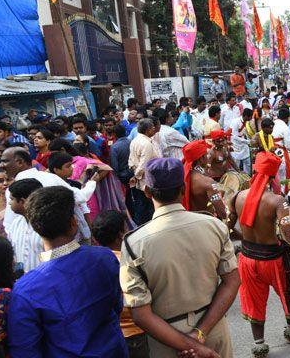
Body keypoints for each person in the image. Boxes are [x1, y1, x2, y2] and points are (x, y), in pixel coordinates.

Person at [120, 158, 240, 357]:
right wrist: (200, 336)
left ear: (147, 191)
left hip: (167, 340)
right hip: (213, 328)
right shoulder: (213, 226)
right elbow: (232, 281)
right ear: (183, 189)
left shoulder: (133, 243)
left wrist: (188, 343)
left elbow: (141, 315)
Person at [8, 186, 127, 356]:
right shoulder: (105, 258)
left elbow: (26, 350)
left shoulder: (25, 290)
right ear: (73, 223)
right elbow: (116, 306)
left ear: (36, 227)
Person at [229, 152, 290, 357]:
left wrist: (245, 237)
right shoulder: (278, 201)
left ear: (254, 171)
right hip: (273, 261)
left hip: (247, 259)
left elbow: (229, 230)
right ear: (273, 176)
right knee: (288, 293)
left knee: (254, 301)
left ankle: (259, 345)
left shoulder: (237, 197)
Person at [92, 210, 149, 357]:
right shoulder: (129, 262)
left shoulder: (91, 263)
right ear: (120, 235)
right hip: (136, 333)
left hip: (106, 335)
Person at [4, 179, 43, 274]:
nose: (9, 203)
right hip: (23, 282)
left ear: (22, 201)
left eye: (12, 199)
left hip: (44, 282)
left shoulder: (46, 225)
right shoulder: (16, 224)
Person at [182, 140, 227, 220]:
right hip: (203, 220)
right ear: (201, 158)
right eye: (206, 155)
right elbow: (223, 213)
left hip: (186, 218)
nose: (208, 156)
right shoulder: (207, 182)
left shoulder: (183, 174)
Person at [128, 119, 158, 225]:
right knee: (148, 206)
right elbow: (144, 164)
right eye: (153, 128)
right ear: (148, 130)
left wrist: (136, 174)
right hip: (147, 179)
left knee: (143, 205)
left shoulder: (135, 141)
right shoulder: (146, 144)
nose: (155, 129)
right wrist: (137, 175)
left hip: (141, 178)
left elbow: (131, 162)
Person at [272, 108, 290, 193]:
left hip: (270, 151)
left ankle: (275, 192)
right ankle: (282, 193)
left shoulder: (272, 123)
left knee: (274, 175)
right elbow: (289, 145)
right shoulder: (285, 127)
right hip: (281, 152)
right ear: (286, 118)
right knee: (283, 176)